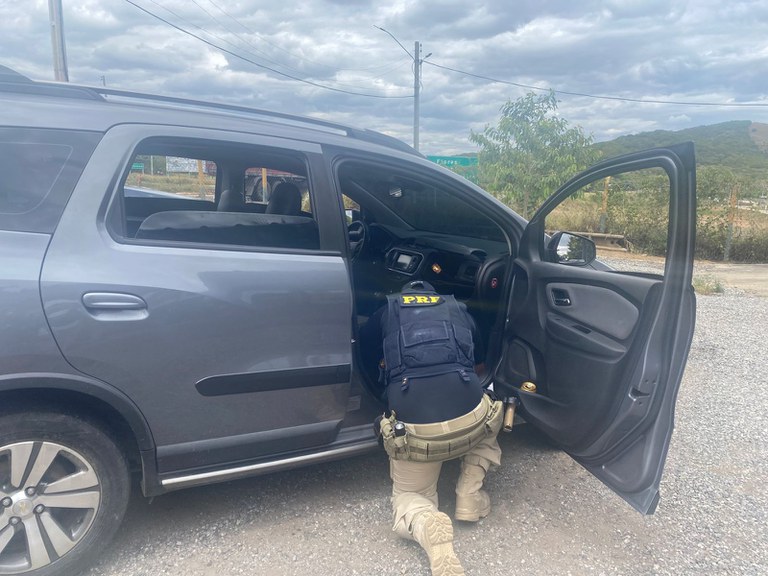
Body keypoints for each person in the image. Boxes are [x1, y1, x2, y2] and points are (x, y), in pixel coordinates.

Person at [363, 281, 503, 576]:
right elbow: (478, 362)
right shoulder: (458, 308)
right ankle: (469, 495)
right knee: (493, 415)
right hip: (470, 418)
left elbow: (363, 360)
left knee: (410, 493)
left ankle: (426, 522)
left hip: (416, 430)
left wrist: (385, 399)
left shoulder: (386, 310)